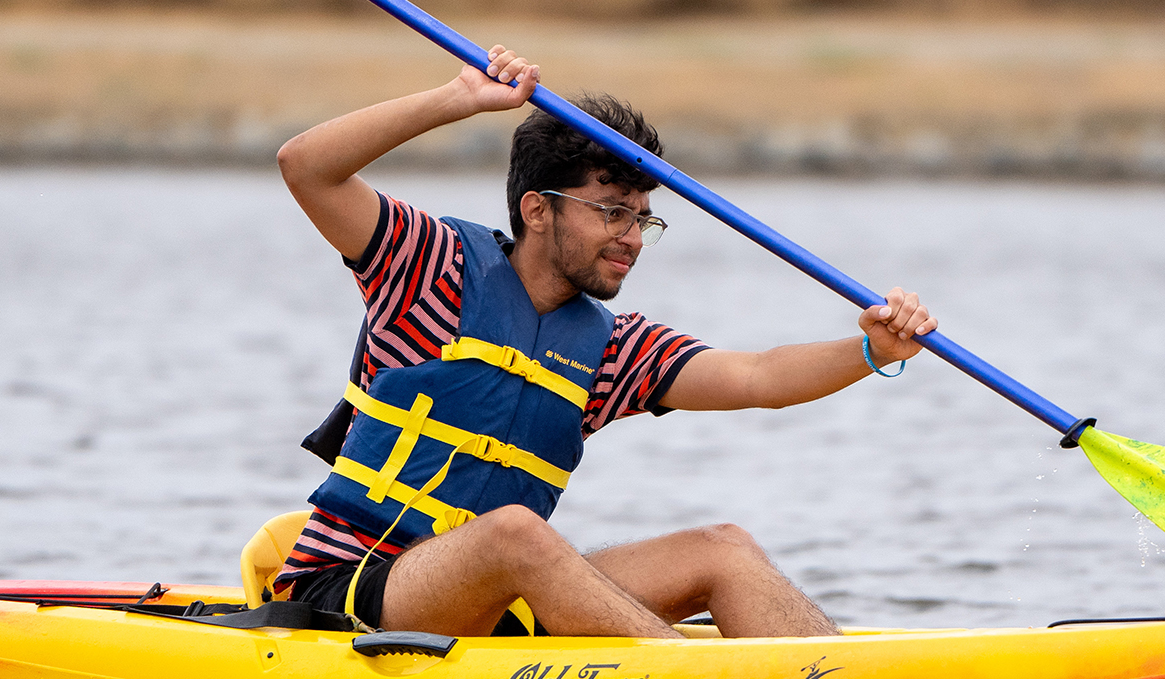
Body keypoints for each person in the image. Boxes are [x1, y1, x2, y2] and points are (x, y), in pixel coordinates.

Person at [274, 45, 937, 640]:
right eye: (613, 212)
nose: (632, 238)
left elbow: (759, 377)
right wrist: (458, 98)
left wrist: (872, 351)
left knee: (725, 549)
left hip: (499, 604)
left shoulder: (613, 349)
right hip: (352, 591)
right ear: (538, 209)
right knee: (514, 533)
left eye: (643, 219)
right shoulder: (428, 266)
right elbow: (305, 167)